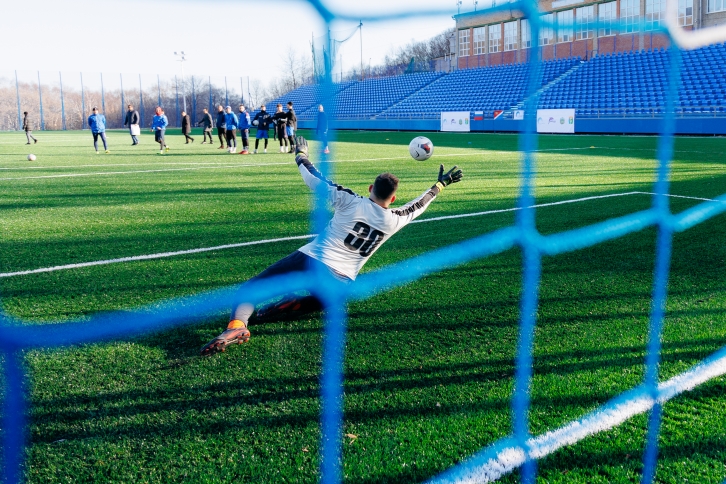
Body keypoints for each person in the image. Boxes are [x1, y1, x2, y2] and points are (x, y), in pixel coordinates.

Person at [200, 136, 463, 355]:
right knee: (324, 300)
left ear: (371, 187)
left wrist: (301, 154)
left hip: (311, 259)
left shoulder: (349, 200)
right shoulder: (395, 219)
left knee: (251, 288)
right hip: (341, 281)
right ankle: (291, 305)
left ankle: (237, 324)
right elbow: (419, 204)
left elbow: (314, 178)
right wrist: (441, 184)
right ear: (393, 198)